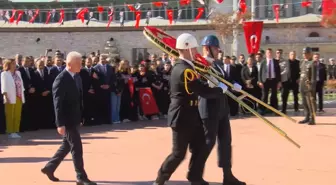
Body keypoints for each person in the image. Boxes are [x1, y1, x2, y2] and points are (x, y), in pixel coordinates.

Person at [153, 33, 226, 185]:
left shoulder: (187, 67)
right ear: (186, 49)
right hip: (182, 117)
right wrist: (220, 89)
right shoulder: (185, 70)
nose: (196, 52)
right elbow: (202, 91)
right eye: (193, 49)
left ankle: (195, 176)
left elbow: (199, 87)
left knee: (200, 146)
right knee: (178, 153)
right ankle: (161, 178)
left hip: (192, 115)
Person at [41, 52, 97, 185]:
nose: (81, 66)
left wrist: (81, 116)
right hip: (67, 120)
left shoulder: (77, 77)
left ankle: (50, 167)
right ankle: (81, 177)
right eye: (78, 63)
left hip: (75, 117)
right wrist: (60, 124)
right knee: (76, 147)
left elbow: (79, 98)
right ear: (70, 64)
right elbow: (57, 103)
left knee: (66, 146)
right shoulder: (61, 79)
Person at [199, 35, 246, 185]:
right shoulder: (200, 64)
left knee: (225, 141)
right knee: (208, 142)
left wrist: (234, 84)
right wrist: (217, 87)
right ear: (207, 48)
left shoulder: (218, 63)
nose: (217, 50)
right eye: (214, 48)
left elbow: (225, 78)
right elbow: (201, 85)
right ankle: (195, 173)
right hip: (209, 108)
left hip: (221, 108)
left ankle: (228, 175)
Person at [1, 59, 25, 139]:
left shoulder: (18, 73)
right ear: (8, 65)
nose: (15, 65)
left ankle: (16, 130)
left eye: (15, 64)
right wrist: (5, 96)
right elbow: (3, 86)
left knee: (17, 114)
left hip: (19, 96)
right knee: (10, 115)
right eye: (13, 64)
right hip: (10, 96)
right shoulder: (4, 74)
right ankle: (10, 131)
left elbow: (21, 84)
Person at [298, 47, 317, 125]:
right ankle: (306, 117)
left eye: (306, 53)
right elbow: (301, 74)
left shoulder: (312, 63)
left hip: (309, 87)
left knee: (310, 103)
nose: (305, 55)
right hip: (302, 85)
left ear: (310, 54)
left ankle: (312, 118)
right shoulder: (302, 62)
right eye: (304, 53)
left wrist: (312, 87)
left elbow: (313, 78)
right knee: (304, 103)